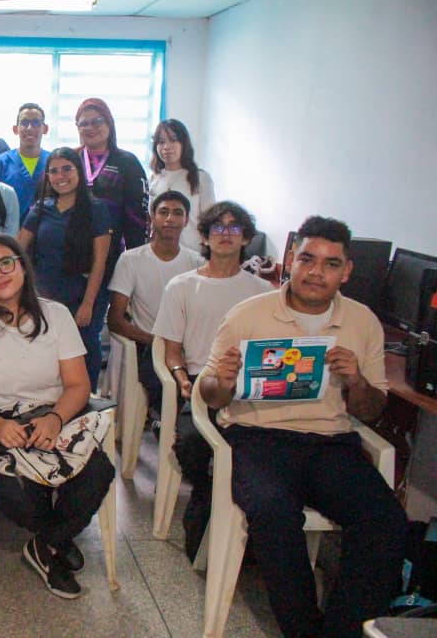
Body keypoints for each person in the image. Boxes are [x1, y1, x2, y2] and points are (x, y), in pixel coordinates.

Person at [199, 216, 407, 638]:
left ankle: (344, 630)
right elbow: (210, 395)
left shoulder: (363, 321)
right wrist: (220, 381)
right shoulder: (247, 314)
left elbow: (370, 411)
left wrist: (356, 381)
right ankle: (303, 630)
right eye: (308, 259)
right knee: (274, 514)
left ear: (346, 272)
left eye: (331, 264)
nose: (316, 272)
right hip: (256, 438)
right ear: (290, 259)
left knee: (386, 521)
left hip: (330, 443)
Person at [0, 234, 115, 599]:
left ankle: (46, 545)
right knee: (19, 493)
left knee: (98, 472)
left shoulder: (57, 315)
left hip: (55, 414)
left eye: (6, 263)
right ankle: (56, 540)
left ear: (22, 265)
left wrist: (55, 419)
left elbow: (79, 384)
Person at [151, 202, 271, 561]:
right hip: (199, 384)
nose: (225, 234)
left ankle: (242, 531)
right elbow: (171, 350)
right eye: (217, 227)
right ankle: (207, 515)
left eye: (235, 228)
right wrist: (180, 378)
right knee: (193, 447)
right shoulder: (182, 286)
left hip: (247, 388)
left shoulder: (261, 291)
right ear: (204, 236)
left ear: (246, 238)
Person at [17, 147, 112, 388]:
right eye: (54, 171)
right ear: (47, 176)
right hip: (44, 294)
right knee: (45, 355)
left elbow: (99, 262)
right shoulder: (40, 208)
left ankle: (86, 406)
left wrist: (88, 305)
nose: (61, 176)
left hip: (81, 296)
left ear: (79, 170)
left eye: (67, 169)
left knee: (82, 351)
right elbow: (17, 249)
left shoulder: (96, 209)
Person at [107, 190, 204, 416]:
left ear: (186, 220)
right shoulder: (131, 259)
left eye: (177, 213)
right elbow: (115, 320)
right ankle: (166, 426)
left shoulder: (196, 262)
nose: (170, 218)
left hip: (191, 346)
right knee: (166, 386)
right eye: (164, 212)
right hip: (150, 346)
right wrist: (158, 341)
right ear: (152, 218)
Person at [74, 97, 149, 271]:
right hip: (71, 254)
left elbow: (137, 218)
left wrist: (136, 261)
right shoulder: (69, 159)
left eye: (97, 121)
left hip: (114, 256)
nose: (91, 128)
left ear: (109, 123)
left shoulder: (127, 163)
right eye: (84, 124)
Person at [149, 119, 216, 252]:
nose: (166, 147)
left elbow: (210, 221)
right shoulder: (153, 179)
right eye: (161, 142)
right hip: (161, 253)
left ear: (184, 143)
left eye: (173, 140)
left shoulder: (200, 178)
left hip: (193, 252)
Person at [0, 103, 51, 221]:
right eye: (24, 123)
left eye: (36, 123)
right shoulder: (0, 163)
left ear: (45, 129)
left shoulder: (53, 161)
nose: (30, 128)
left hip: (45, 231)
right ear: (15, 129)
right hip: (9, 232)